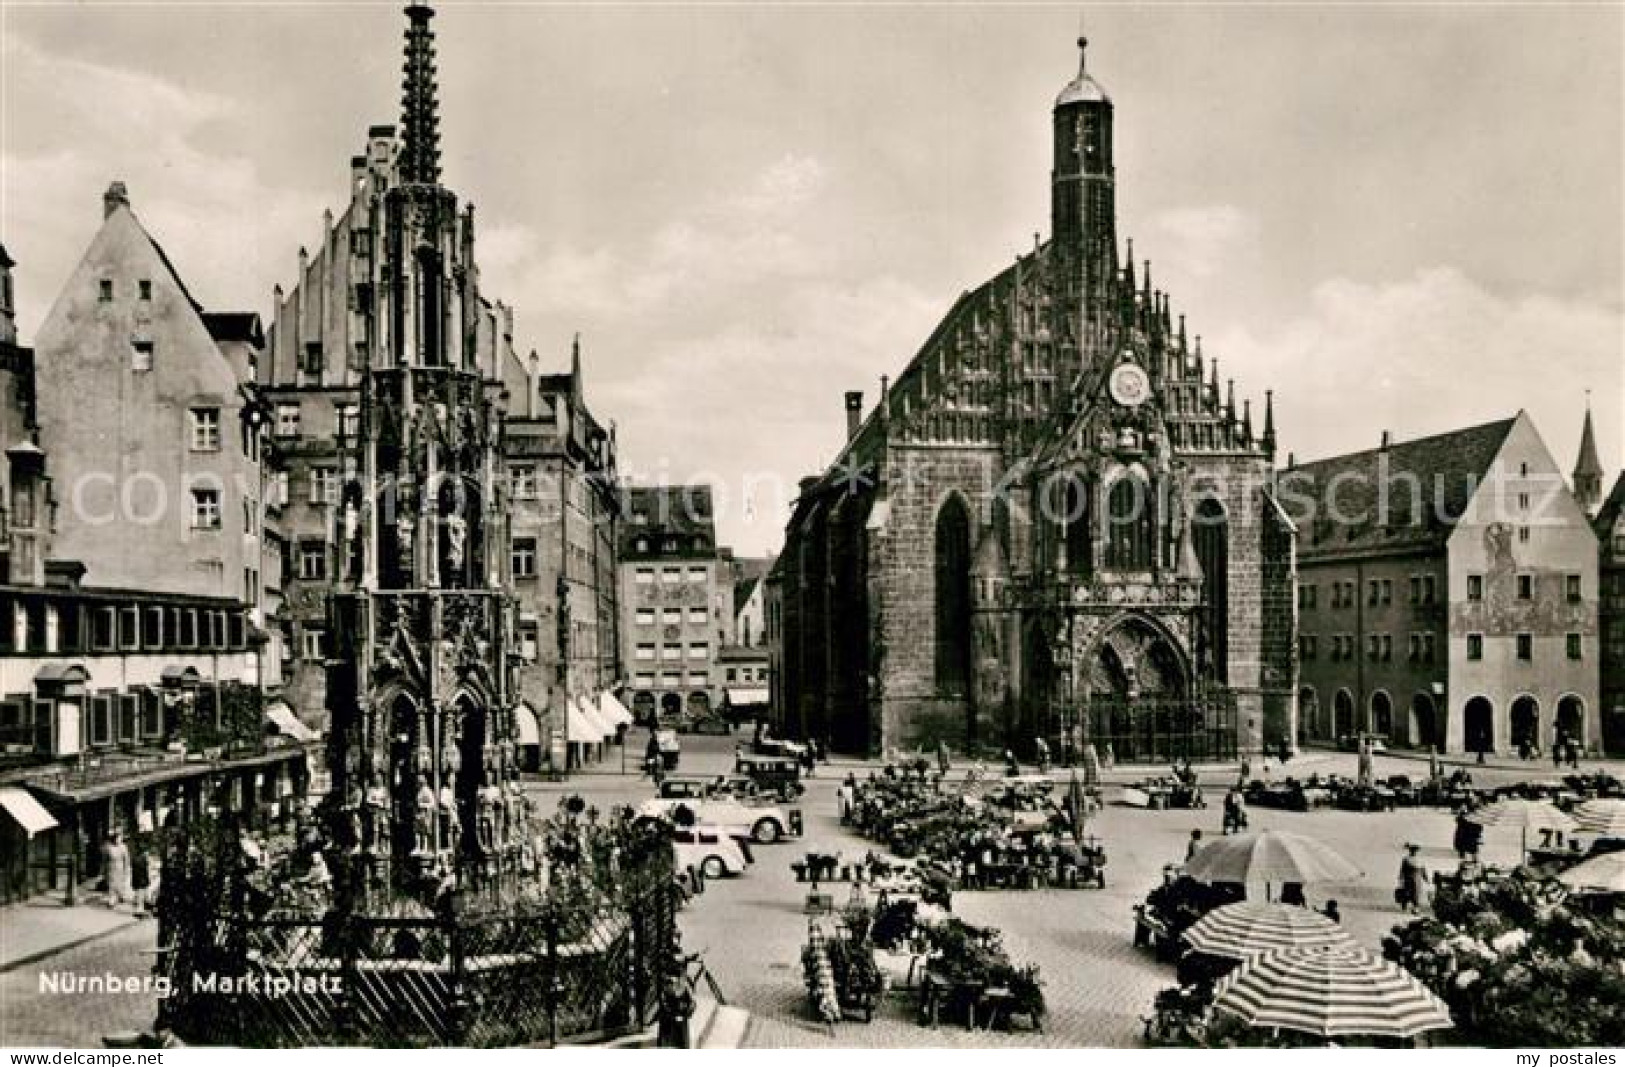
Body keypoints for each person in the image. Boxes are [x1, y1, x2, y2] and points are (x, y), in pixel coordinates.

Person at [102, 831, 133, 908]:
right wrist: (104, 869)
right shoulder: (109, 847)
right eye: (118, 838)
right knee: (111, 884)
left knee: (121, 883)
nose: (119, 840)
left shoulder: (123, 847)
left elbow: (126, 859)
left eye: (120, 838)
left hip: (120, 867)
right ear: (114, 839)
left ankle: (121, 895)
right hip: (111, 867)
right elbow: (105, 859)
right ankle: (112, 900)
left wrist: (127, 868)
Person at [1398, 844, 1431, 914]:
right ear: (1410, 851)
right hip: (1409, 879)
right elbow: (1403, 869)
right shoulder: (1406, 859)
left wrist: (1426, 878)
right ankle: (1405, 905)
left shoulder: (1419, 860)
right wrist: (1401, 878)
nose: (1414, 852)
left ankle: (1415, 908)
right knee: (1408, 892)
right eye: (1413, 851)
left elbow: (1423, 870)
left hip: (1417, 880)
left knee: (1416, 893)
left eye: (1415, 851)